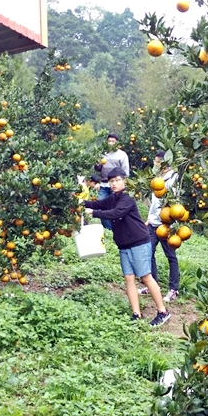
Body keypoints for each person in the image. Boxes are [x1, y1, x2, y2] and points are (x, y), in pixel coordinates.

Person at [84, 167, 171, 326]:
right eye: (111, 181)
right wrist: (81, 203)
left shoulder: (127, 198)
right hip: (124, 245)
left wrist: (92, 213)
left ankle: (163, 312)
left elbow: (116, 213)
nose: (114, 184)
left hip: (138, 242)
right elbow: (100, 204)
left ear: (125, 181)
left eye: (117, 180)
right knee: (129, 279)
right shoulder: (114, 197)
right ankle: (136, 314)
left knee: (146, 277)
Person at [139, 151, 180, 302]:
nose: (155, 164)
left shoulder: (174, 178)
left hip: (166, 224)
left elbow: (172, 201)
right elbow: (154, 202)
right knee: (148, 254)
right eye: (155, 161)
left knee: (171, 256)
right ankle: (152, 285)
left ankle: (173, 289)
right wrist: (149, 218)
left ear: (165, 162)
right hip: (153, 223)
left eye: (158, 162)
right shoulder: (157, 178)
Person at [94, 134, 129, 230]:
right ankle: (109, 229)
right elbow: (98, 169)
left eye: (113, 141)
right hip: (104, 184)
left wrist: (124, 184)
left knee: (115, 208)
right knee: (101, 207)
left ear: (117, 143)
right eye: (109, 141)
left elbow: (125, 171)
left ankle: (117, 229)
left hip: (116, 185)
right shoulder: (103, 154)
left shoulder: (122, 155)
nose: (111, 143)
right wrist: (97, 163)